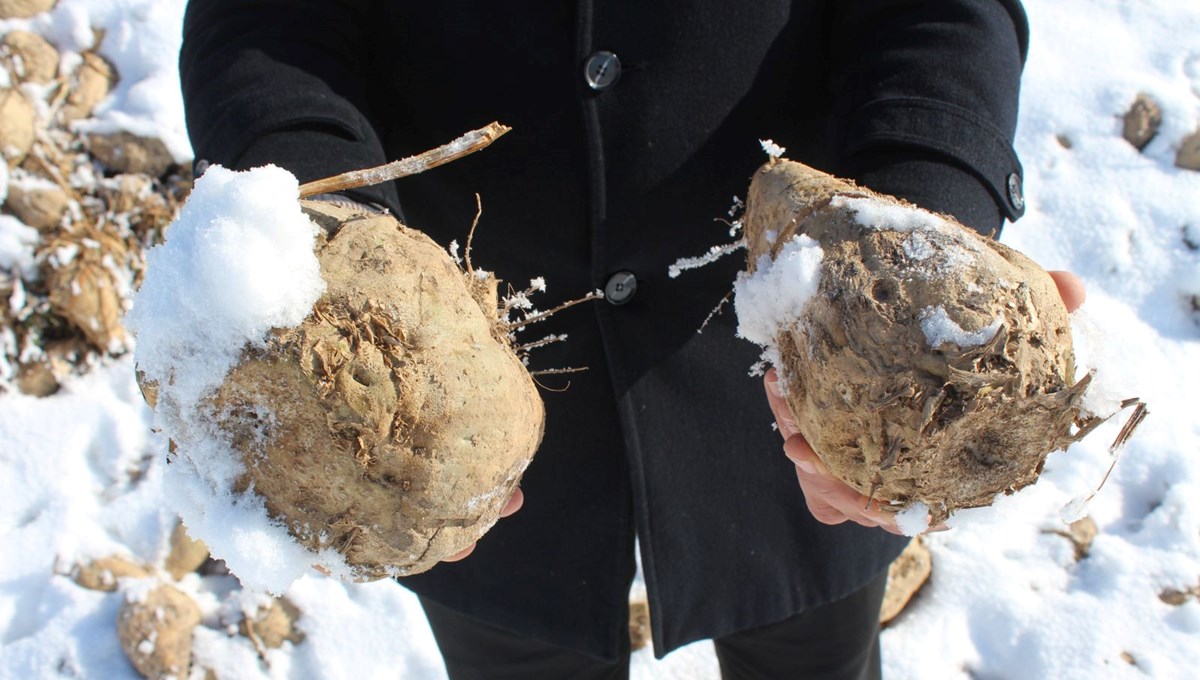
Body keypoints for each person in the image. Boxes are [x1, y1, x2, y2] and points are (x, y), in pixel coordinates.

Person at [180, 2, 1078, 677]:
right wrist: (321, 242)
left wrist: (923, 234)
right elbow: (267, 20)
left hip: (801, 384)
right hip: (433, 393)